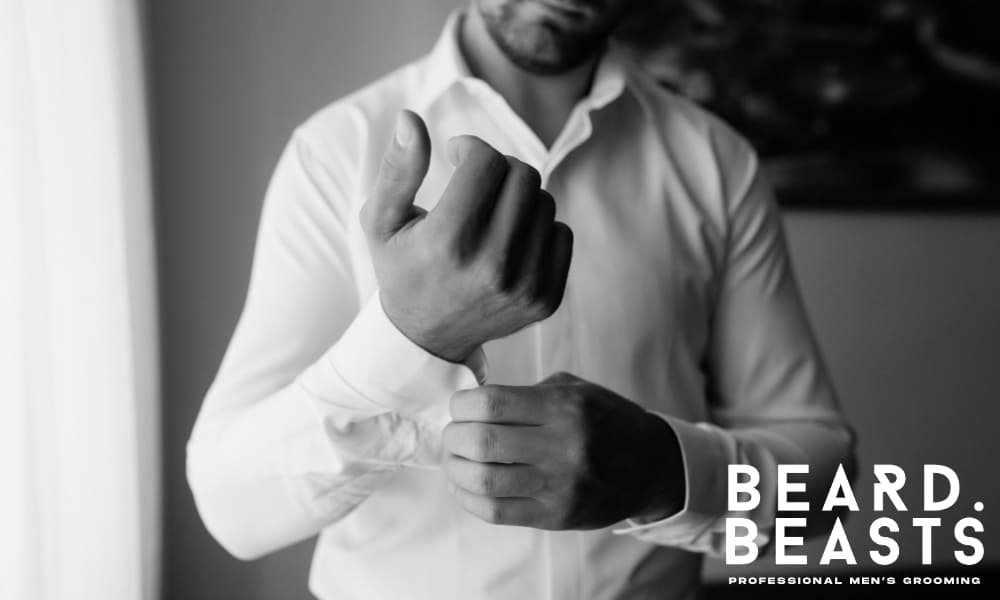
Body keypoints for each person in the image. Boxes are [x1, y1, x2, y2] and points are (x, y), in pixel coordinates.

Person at [186, 1, 856, 598]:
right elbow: (232, 509)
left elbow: (828, 490)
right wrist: (411, 336)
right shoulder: (336, 151)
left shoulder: (718, 165)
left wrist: (661, 473)